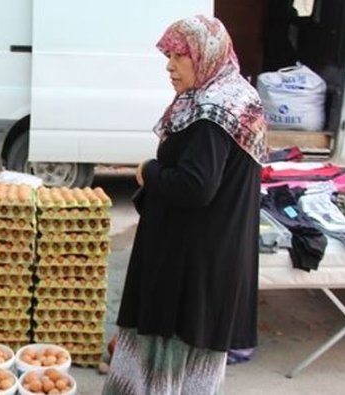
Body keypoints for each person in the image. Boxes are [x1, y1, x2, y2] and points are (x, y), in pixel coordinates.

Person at [103, 15, 268, 394]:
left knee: (166, 370)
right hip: (209, 260)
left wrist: (150, 171)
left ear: (206, 56)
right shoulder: (237, 96)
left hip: (190, 267)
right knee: (188, 372)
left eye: (180, 56)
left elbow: (196, 186)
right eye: (169, 55)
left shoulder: (212, 111)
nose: (169, 65)